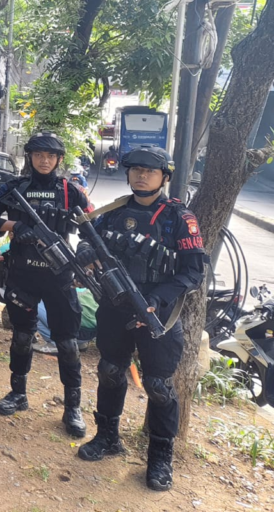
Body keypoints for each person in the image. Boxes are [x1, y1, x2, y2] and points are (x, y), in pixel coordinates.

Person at [76, 146, 205, 492]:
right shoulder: (113, 212)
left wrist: (158, 299)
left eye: (149, 171)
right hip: (115, 305)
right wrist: (86, 255)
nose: (141, 175)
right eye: (135, 169)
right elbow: (86, 241)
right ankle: (107, 437)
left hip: (157, 312)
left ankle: (160, 458)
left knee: (159, 386)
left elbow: (194, 272)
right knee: (110, 370)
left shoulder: (179, 218)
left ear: (165, 177)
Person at [0, 131, 91, 437]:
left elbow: (92, 229)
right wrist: (14, 225)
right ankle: (18, 393)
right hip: (22, 274)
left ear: (59, 159)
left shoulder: (71, 191)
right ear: (29, 157)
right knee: (22, 337)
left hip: (58, 276)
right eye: (39, 155)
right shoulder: (14, 188)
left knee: (67, 343)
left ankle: (73, 407)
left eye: (50, 156)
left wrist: (83, 253)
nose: (44, 161)